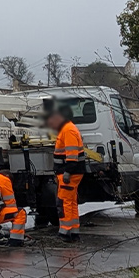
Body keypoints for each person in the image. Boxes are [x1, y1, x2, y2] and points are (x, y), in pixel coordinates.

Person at [48, 101, 84, 240]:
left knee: (64, 203)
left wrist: (68, 172)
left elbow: (72, 154)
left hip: (68, 172)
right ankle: (74, 231)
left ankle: (65, 232)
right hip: (69, 172)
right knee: (71, 201)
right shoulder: (68, 128)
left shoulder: (68, 130)